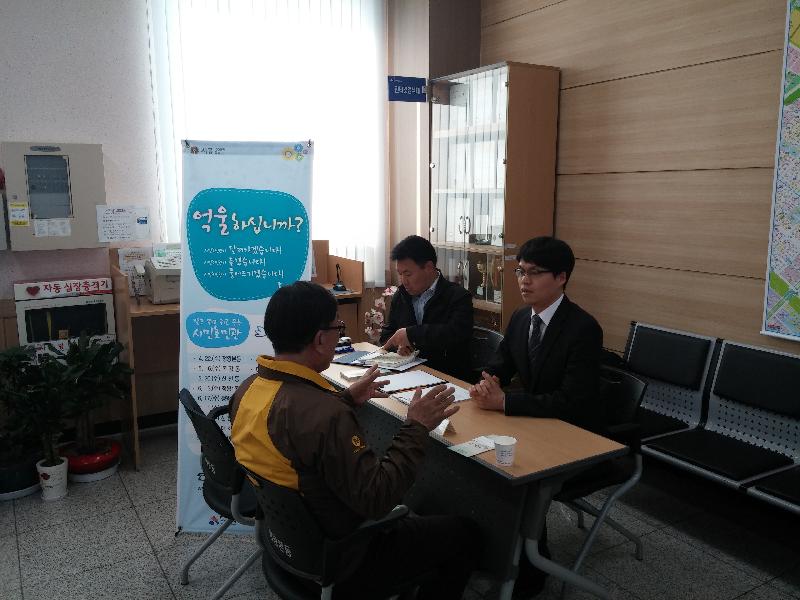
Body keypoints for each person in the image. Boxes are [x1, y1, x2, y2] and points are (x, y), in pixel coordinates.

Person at [230, 281, 479, 600]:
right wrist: (416, 426)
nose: (339, 335)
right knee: (465, 534)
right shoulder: (326, 415)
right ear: (320, 339)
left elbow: (289, 434)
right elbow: (378, 499)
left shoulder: (248, 390)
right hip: (346, 559)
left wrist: (345, 399)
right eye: (338, 327)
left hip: (287, 543)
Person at [469, 236, 603, 599]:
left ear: (561, 277)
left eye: (534, 273)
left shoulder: (583, 329)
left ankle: (530, 569)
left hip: (575, 434)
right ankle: (490, 552)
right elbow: (500, 364)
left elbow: (571, 402)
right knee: (478, 463)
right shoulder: (520, 317)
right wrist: (487, 383)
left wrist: (505, 403)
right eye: (519, 271)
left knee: (513, 476)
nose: (523, 281)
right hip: (532, 422)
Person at [380, 235, 473, 381]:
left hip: (446, 377)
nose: (403, 281)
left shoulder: (458, 296)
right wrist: (399, 347)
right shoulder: (401, 295)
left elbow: (455, 334)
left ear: (429, 267)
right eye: (400, 274)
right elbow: (387, 335)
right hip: (408, 374)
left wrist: (411, 335)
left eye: (408, 274)